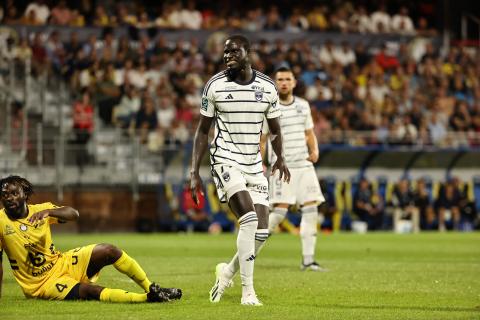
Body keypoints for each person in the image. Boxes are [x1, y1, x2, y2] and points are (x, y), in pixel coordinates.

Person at [190, 35, 290, 306]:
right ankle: (248, 292)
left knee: (261, 231)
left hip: (253, 164)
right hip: (225, 159)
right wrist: (194, 171)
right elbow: (202, 132)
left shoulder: (268, 87)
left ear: (249, 52)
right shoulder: (215, 85)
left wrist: (280, 157)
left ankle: (226, 272)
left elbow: (276, 130)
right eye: (225, 52)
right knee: (247, 219)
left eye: (234, 51)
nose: (227, 56)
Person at [0, 175, 181, 303]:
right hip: (41, 284)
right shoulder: (1, 221)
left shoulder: (41, 210)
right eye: (5, 195)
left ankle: (151, 288)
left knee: (109, 250)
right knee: (90, 291)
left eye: (14, 193)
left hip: (61, 263)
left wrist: (49, 212)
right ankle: (147, 299)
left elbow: (74, 214)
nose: (9, 198)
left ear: (24, 193)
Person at [260, 67, 326, 271]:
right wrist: (261, 162)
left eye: (288, 79)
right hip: (282, 167)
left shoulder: (303, 106)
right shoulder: (269, 108)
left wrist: (314, 150)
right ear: (275, 83)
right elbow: (262, 139)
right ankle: (249, 251)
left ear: (294, 82)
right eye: (280, 79)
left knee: (311, 210)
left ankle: (308, 260)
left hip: (304, 166)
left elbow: (309, 132)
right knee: (279, 214)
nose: (284, 83)